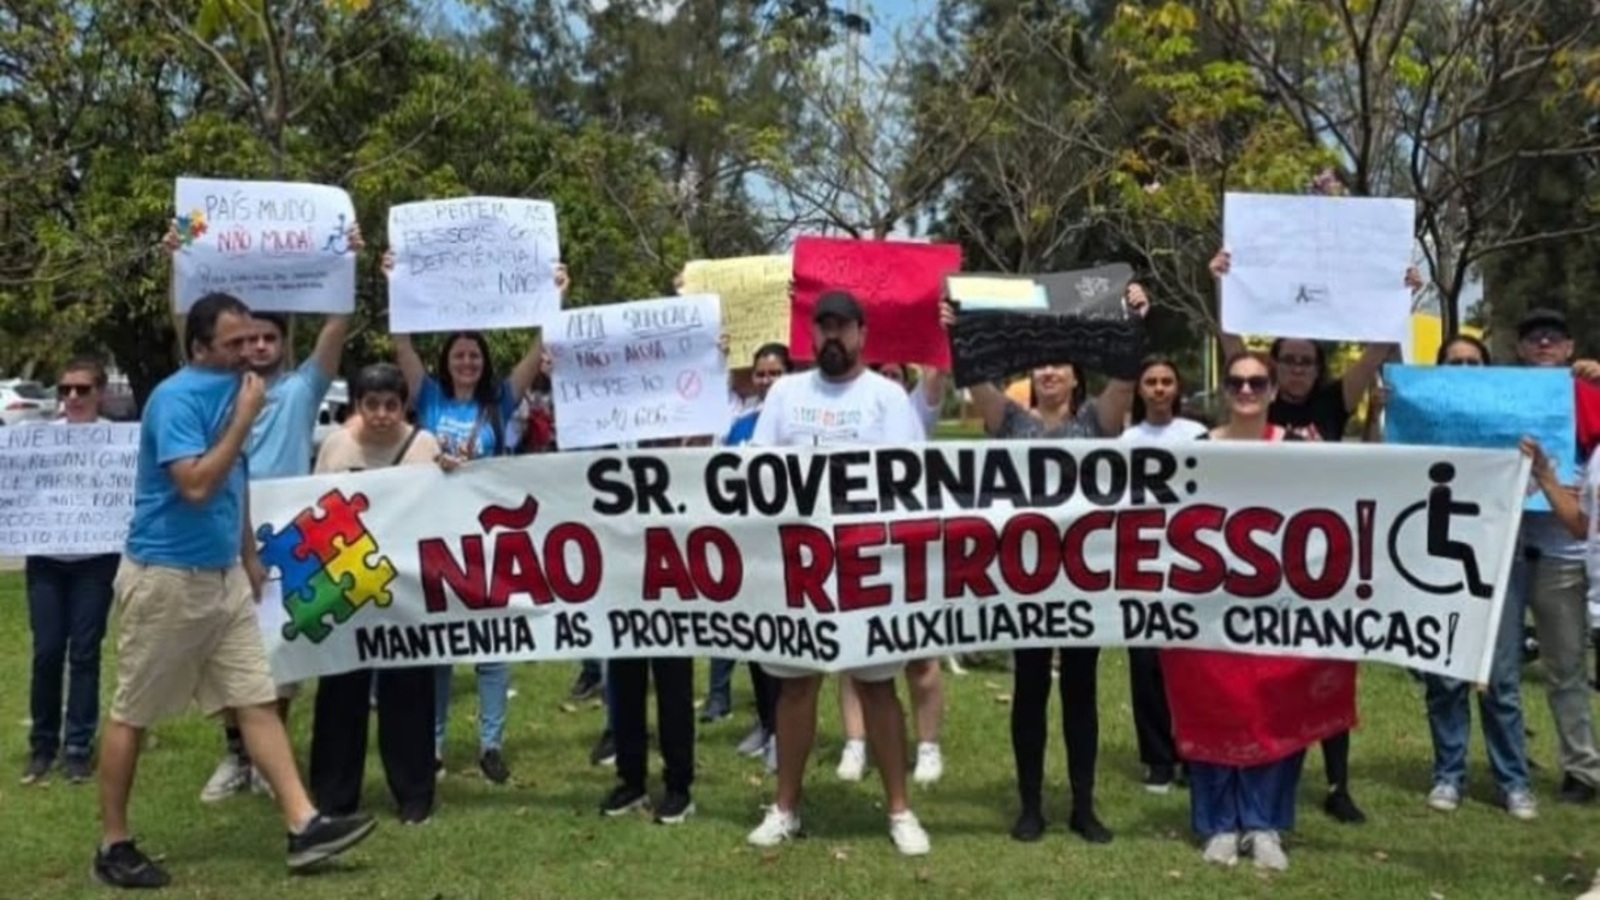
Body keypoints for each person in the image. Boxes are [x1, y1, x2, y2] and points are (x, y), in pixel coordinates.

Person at [94, 293, 375, 888]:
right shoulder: (177, 400)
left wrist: (247, 556)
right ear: (200, 349)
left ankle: (304, 825)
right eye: (235, 342)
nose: (250, 348)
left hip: (222, 579)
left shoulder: (236, 388)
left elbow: (234, 484)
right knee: (133, 713)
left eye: (252, 337)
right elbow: (195, 485)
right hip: (167, 579)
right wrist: (245, 418)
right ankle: (113, 843)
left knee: (256, 697)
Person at [1211, 248, 1421, 824]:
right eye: (1289, 360)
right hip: (1258, 553)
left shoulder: (1334, 402)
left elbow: (1378, 346)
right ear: (1273, 368)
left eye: (1307, 360)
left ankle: (1337, 784)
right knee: (1261, 665)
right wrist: (1225, 285)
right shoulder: (1256, 401)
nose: (1299, 368)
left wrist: (1400, 294)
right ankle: (1246, 756)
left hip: (1324, 556)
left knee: (1328, 667)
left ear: (1319, 368)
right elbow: (1233, 350)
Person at [946, 284, 1149, 844]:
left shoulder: (1096, 421)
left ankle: (1083, 806)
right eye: (1040, 366)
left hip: (1083, 577)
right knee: (1032, 686)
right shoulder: (1010, 422)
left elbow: (1125, 381)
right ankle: (1030, 804)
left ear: (1075, 375)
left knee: (1080, 688)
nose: (1049, 373)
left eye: (1059, 364)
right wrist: (955, 328)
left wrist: (1131, 322)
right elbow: (974, 379)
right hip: (1028, 574)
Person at [164, 223, 360, 804]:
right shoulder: (216, 389)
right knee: (228, 650)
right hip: (227, 531)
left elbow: (335, 327)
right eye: (248, 340)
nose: (259, 348)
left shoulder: (302, 390)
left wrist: (344, 262)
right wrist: (179, 266)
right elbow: (189, 331)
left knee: (283, 654)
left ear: (282, 345)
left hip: (289, 536)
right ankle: (237, 755)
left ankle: (265, 757)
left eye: (269, 339)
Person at [745, 291, 931, 856]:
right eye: (822, 327)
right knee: (796, 686)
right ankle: (785, 808)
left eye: (842, 327)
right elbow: (757, 470)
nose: (832, 336)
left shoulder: (887, 397)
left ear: (862, 333)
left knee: (877, 687)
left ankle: (899, 810)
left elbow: (914, 480)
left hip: (868, 566)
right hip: (800, 568)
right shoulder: (784, 393)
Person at [1163, 351, 1358, 872]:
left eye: (1256, 382)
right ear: (1225, 391)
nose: (1245, 391)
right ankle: (1219, 824)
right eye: (1236, 382)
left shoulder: (1300, 449)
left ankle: (1265, 823)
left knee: (1275, 707)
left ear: (1273, 390)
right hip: (1207, 605)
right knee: (1212, 706)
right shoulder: (1195, 451)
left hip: (1280, 605)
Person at [385, 253, 563, 785]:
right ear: (447, 360)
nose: (467, 362)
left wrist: (552, 296)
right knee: (440, 647)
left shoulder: (501, 401)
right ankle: (434, 747)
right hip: (436, 535)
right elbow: (402, 346)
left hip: (487, 539)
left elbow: (537, 350)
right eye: (459, 355)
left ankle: (491, 744)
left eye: (474, 356)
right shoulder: (428, 396)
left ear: (484, 363)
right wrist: (397, 283)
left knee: (491, 646)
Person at [1386, 335, 1538, 819]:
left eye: (1475, 363)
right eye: (1456, 363)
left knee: (1502, 680)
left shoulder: (1512, 420)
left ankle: (1513, 781)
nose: (1466, 369)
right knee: (1445, 676)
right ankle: (1448, 775)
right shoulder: (1423, 422)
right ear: (1441, 371)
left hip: (1499, 557)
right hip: (1437, 560)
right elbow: (1387, 466)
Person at [307, 364, 442, 825]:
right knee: (340, 688)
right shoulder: (336, 446)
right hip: (347, 581)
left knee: (409, 690)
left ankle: (414, 793)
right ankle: (333, 794)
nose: (382, 415)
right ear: (357, 407)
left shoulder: (425, 446)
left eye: (391, 405)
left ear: (404, 406)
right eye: (372, 405)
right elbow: (315, 509)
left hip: (405, 585)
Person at [837, 359, 949, 787]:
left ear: (907, 381)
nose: (887, 381)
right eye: (879, 372)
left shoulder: (916, 408)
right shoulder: (855, 407)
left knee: (920, 654)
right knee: (854, 650)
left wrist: (940, 320)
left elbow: (938, 369)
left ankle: (927, 746)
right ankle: (856, 742)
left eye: (895, 374)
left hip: (911, 544)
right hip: (860, 541)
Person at [1506, 309, 1600, 805]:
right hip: (1517, 549)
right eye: (1533, 336)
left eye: (1553, 337)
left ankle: (1581, 769)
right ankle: (1528, 764)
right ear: (1520, 348)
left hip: (1571, 550)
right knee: (1512, 669)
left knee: (1566, 669)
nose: (1543, 343)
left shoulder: (1591, 397)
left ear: (1569, 348)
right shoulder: (1501, 397)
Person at [21, 355, 123, 785]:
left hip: (95, 562)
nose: (73, 397)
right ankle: (43, 744)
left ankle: (78, 745)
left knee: (84, 653)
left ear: (100, 392)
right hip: (46, 559)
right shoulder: (38, 440)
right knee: (46, 652)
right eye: (65, 390)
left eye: (82, 389)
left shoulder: (119, 442)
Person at [1119, 355, 1205, 794]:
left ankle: (1194, 751)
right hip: (1144, 562)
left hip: (1192, 561)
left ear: (1177, 388)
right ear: (1139, 389)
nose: (1157, 388)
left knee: (1190, 663)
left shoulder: (1197, 435)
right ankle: (1157, 758)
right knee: (1146, 662)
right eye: (1150, 381)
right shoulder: (1126, 439)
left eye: (1166, 381)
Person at [704, 343, 790, 769]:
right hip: (743, 547)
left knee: (782, 649)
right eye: (761, 374)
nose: (767, 381)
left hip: (786, 550)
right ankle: (768, 723)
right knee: (754, 642)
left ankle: (785, 732)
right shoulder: (737, 423)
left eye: (776, 373)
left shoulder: (798, 420)